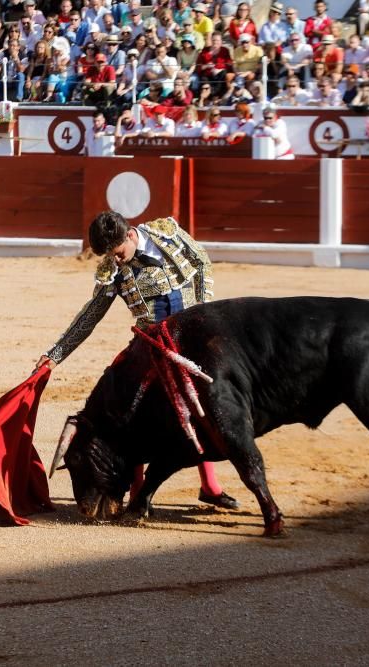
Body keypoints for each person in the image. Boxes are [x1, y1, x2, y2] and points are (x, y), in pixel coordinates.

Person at [36, 211, 239, 511]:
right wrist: (54, 356)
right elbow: (91, 315)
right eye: (110, 256)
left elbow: (201, 262)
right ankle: (138, 491)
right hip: (151, 345)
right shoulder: (113, 269)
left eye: (118, 253)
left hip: (191, 341)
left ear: (131, 235)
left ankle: (210, 487)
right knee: (127, 412)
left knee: (204, 409)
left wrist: (204, 316)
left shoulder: (167, 234)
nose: (115, 261)